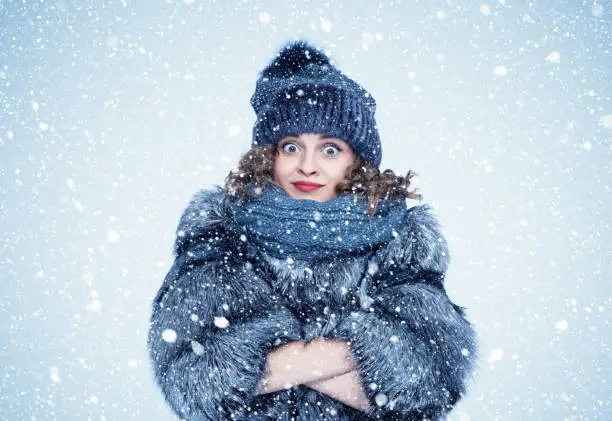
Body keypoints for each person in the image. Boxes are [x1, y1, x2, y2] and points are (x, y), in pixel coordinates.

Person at [147, 40, 478, 421]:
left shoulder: (398, 241)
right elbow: (192, 382)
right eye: (291, 147)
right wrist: (354, 356)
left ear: (356, 161)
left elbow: (429, 385)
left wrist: (273, 365)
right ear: (269, 155)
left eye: (330, 149)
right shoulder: (220, 234)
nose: (308, 166)